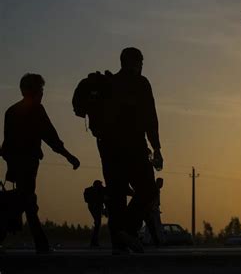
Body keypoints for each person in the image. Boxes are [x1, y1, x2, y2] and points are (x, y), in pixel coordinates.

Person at [1, 73, 80, 254]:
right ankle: (41, 244)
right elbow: (51, 137)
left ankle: (38, 242)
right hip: (28, 163)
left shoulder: (11, 112)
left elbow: (6, 145)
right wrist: (69, 156)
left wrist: (11, 164)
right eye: (41, 89)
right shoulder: (36, 110)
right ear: (35, 91)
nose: (42, 93)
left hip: (16, 163)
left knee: (25, 200)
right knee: (28, 201)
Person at [97, 47, 163, 254]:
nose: (143, 65)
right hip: (134, 146)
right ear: (134, 62)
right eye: (141, 61)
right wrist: (157, 148)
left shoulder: (109, 83)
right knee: (149, 189)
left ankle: (120, 241)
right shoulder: (140, 83)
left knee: (117, 196)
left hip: (108, 148)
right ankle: (128, 229)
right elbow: (150, 118)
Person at [84, 180, 106, 247]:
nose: (101, 186)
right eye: (99, 185)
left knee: (97, 224)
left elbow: (104, 199)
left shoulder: (100, 190)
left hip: (98, 207)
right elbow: (87, 200)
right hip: (93, 207)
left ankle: (94, 242)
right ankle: (94, 242)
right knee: (97, 223)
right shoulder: (89, 190)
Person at [144, 177, 164, 246]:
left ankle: (157, 240)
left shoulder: (156, 189)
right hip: (153, 209)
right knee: (152, 225)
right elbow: (153, 200)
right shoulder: (155, 189)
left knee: (156, 225)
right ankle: (149, 240)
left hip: (155, 209)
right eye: (161, 183)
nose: (162, 185)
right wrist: (153, 208)